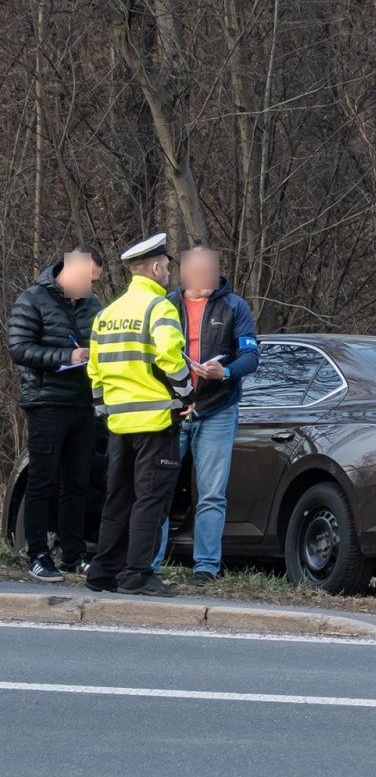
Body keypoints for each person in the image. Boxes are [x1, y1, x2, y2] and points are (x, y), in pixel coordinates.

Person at [85, 234, 192, 597]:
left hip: (119, 422)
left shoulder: (106, 314)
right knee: (151, 500)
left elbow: (95, 371)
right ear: (157, 267)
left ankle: (103, 572)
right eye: (167, 267)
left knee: (118, 498)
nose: (169, 273)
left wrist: (104, 408)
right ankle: (137, 574)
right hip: (155, 421)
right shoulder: (159, 308)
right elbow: (170, 358)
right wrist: (186, 394)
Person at [152, 247, 258, 585]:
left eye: (212, 270)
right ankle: (149, 563)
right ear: (184, 273)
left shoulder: (234, 306)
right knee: (159, 488)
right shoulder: (165, 305)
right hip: (173, 410)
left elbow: (251, 357)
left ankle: (206, 567)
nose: (208, 277)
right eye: (200, 270)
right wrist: (173, 394)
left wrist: (223, 373)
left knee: (211, 492)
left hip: (217, 409)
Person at [6, 245, 104, 581]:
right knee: (42, 481)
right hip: (46, 402)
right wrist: (67, 356)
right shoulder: (31, 299)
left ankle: (74, 555)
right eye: (88, 279)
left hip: (84, 403)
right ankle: (37, 554)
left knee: (78, 483)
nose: (91, 288)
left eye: (94, 282)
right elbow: (19, 348)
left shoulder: (92, 305)